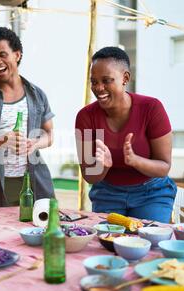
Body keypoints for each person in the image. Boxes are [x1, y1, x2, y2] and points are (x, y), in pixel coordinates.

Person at [75, 47, 177, 223]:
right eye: (94, 81)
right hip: (107, 194)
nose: (98, 88)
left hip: (151, 193)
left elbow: (164, 167)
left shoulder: (151, 109)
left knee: (150, 242)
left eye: (106, 80)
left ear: (125, 78)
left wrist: (135, 160)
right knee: (107, 243)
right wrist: (103, 166)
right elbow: (88, 175)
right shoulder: (86, 117)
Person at [0, 27, 55, 207]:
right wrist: (1, 141)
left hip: (36, 182)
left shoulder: (37, 95)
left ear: (17, 54)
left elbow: (49, 135)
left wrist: (34, 143)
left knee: (39, 233)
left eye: (2, 55)